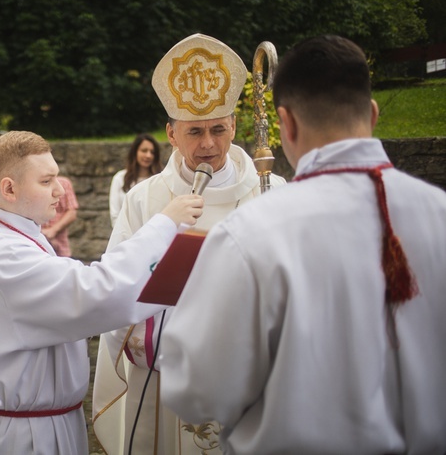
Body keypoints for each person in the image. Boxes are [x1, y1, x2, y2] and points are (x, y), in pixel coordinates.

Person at [159, 35, 446, 454]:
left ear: (286, 124)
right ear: (372, 113)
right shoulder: (440, 212)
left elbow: (195, 391)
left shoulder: (250, 233)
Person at [92, 33, 286, 455]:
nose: (208, 144)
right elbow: (116, 287)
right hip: (167, 377)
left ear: (234, 125)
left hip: (249, 375)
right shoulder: (145, 200)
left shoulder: (272, 192)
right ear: (171, 133)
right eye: (194, 131)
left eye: (219, 129)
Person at [0, 130, 204, 455]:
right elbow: (93, 291)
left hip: (43, 420)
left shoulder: (16, 233)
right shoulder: (3, 254)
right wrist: (164, 225)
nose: (59, 190)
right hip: (22, 436)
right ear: (9, 188)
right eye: (46, 181)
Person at [109, 134, 163, 226]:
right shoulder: (119, 178)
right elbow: (115, 214)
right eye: (144, 151)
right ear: (135, 152)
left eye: (152, 152)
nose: (148, 155)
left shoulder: (160, 180)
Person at [41, 175, 78, 257]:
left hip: (59, 244)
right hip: (36, 241)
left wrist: (53, 230)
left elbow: (72, 212)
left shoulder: (64, 183)